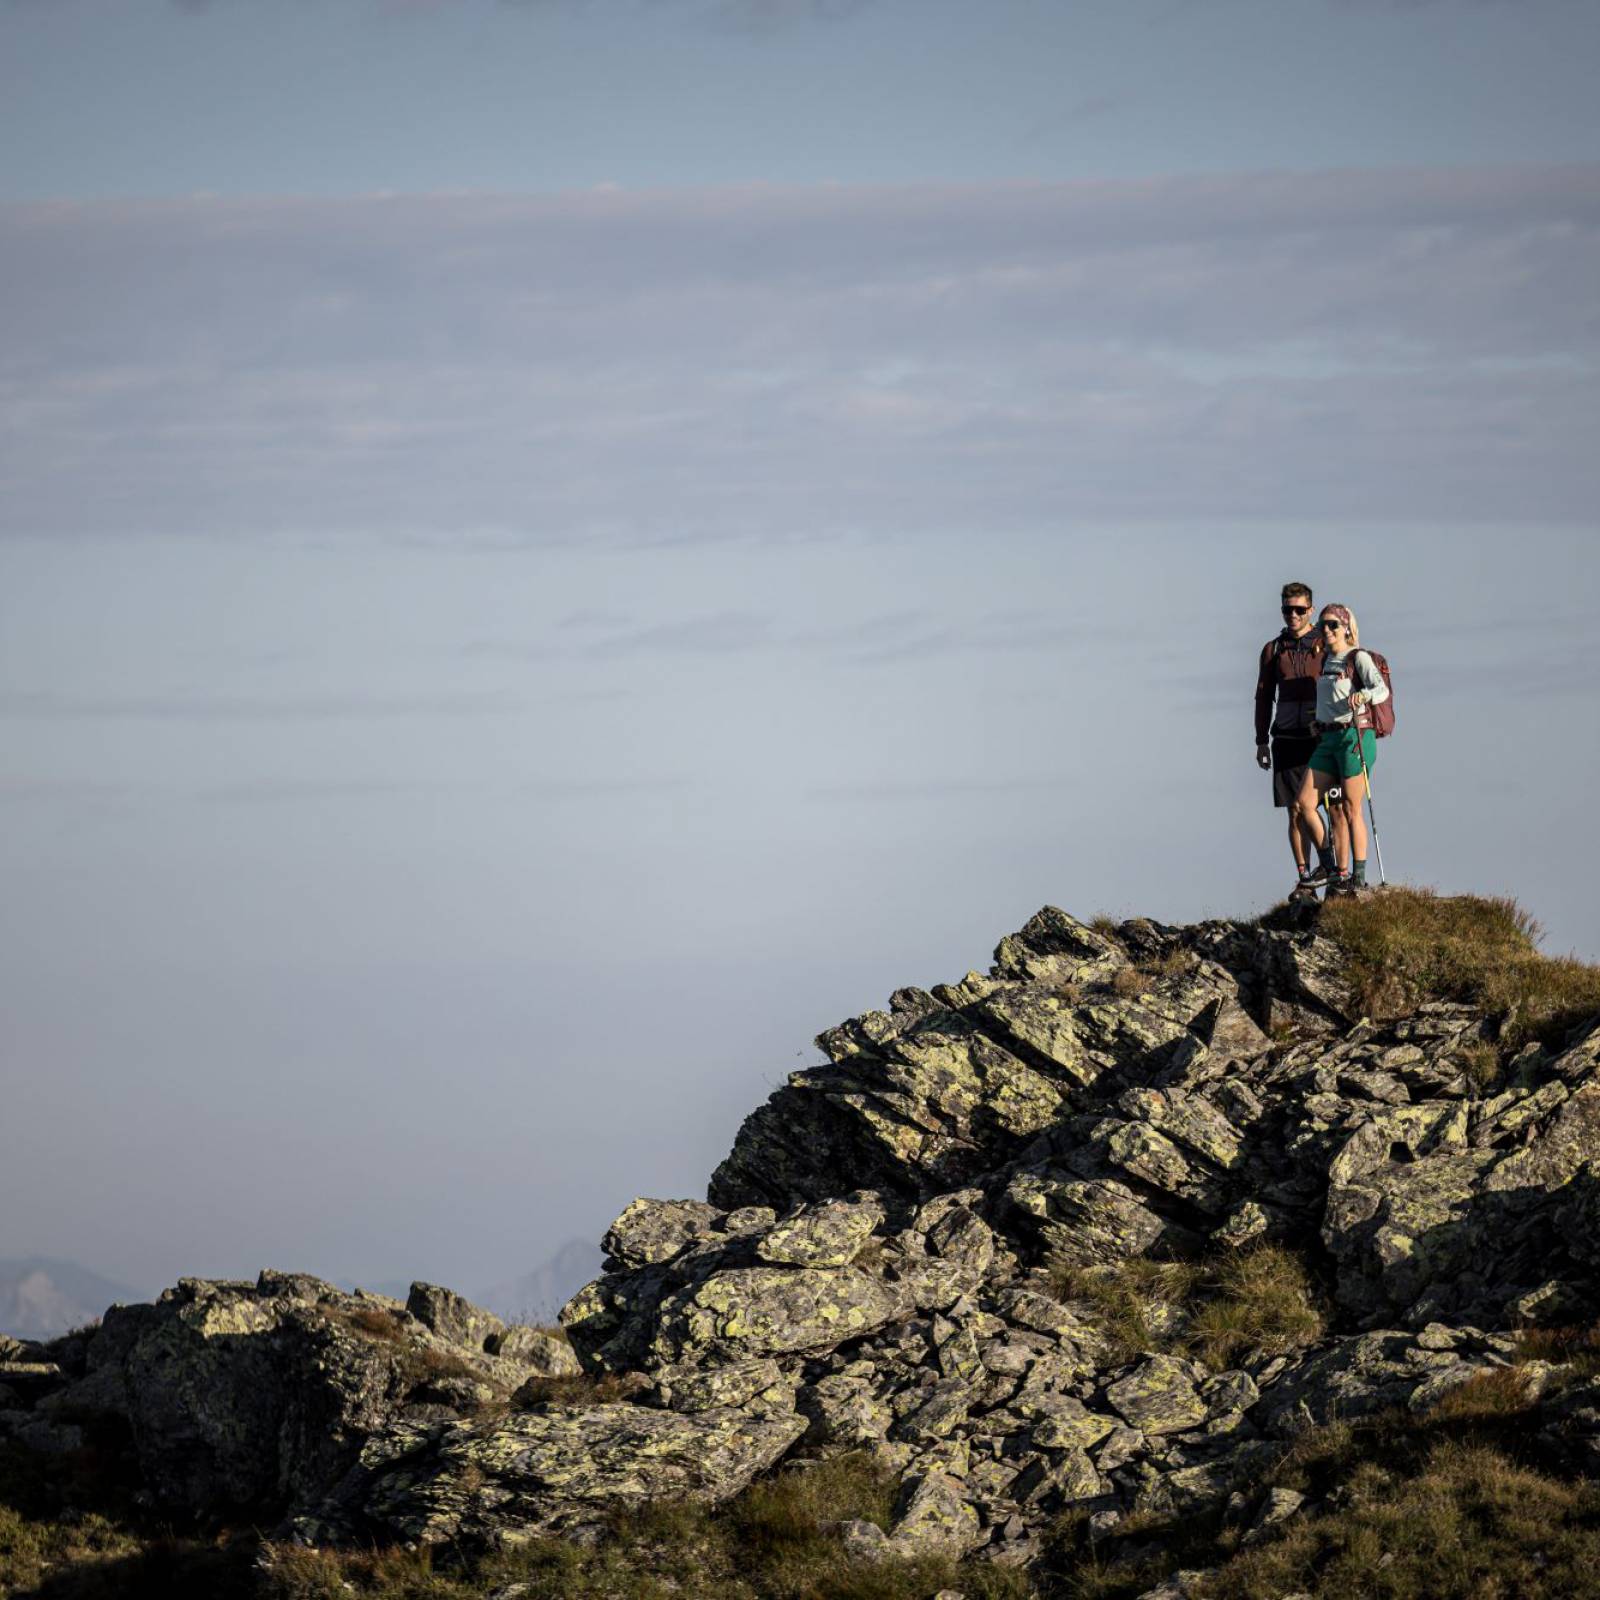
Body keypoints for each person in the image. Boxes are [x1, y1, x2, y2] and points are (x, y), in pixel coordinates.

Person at [1295, 603, 1389, 897]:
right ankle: (1331, 866)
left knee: (1350, 807)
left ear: (1347, 627)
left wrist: (1364, 695)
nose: (1327, 630)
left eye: (1334, 624)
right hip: (1328, 739)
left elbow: (1381, 689)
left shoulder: (1357, 657)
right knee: (1303, 804)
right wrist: (1318, 722)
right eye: (1323, 625)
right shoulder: (1325, 660)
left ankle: (1357, 877)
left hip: (1354, 737)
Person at [1254, 581, 1327, 898]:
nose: (1293, 615)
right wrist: (1260, 740)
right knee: (1294, 811)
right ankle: (1305, 878)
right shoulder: (1273, 649)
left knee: (1327, 807)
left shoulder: (1324, 644)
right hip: (1284, 737)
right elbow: (1263, 696)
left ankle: (1335, 871)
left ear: (1311, 609)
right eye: (1287, 610)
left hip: (1319, 737)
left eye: (1299, 610)